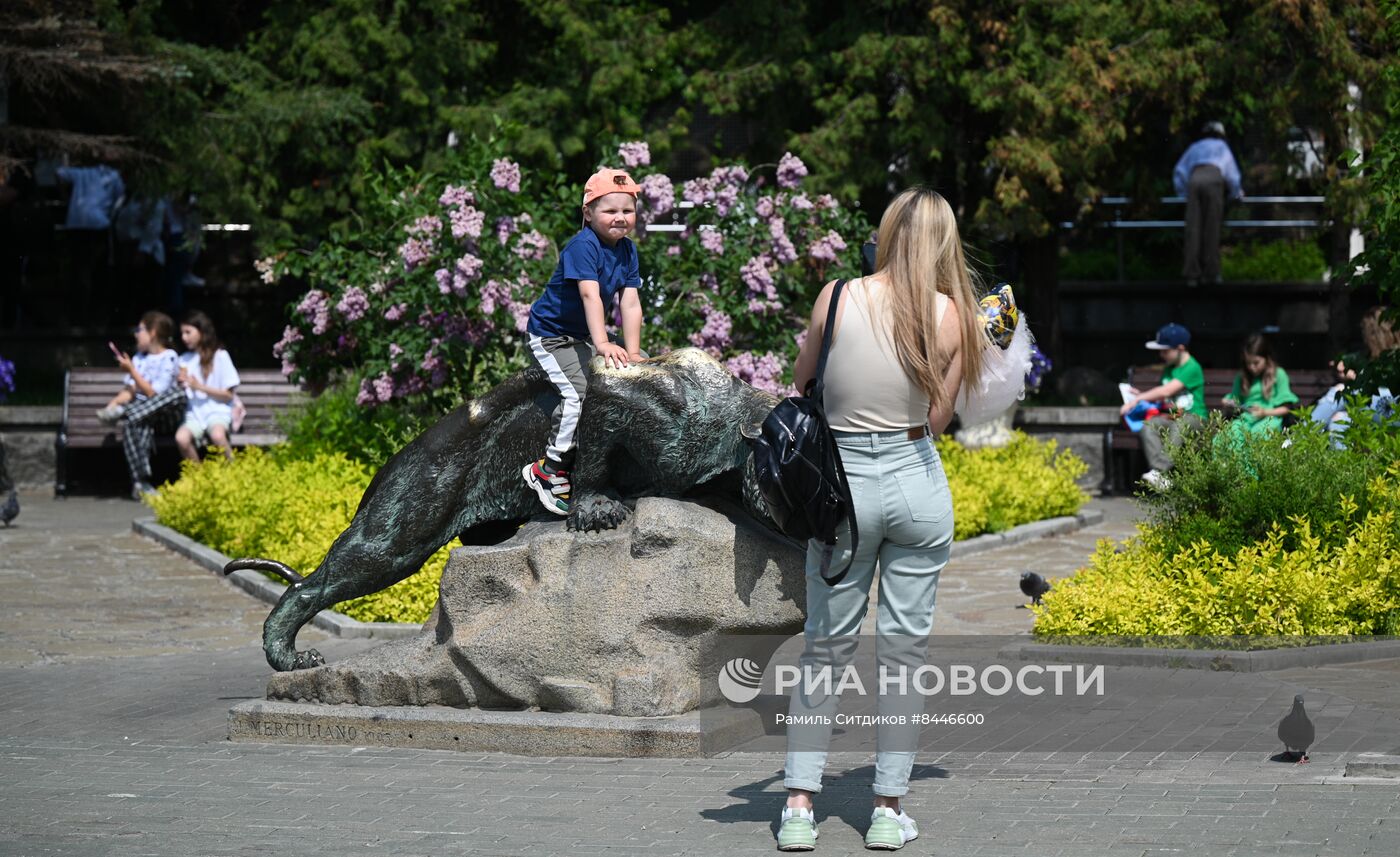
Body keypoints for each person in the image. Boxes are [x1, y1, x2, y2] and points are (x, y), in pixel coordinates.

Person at [777, 187, 985, 852]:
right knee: (903, 657)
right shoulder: (954, 315)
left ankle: (800, 807)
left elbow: (802, 381)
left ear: (887, 231)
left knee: (825, 652)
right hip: (916, 483)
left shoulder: (836, 297)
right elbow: (936, 420)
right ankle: (888, 811)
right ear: (945, 242)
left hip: (844, 494)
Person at [520, 168, 645, 516]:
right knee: (578, 393)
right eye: (610, 210)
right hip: (551, 337)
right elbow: (591, 296)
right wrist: (603, 343)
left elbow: (630, 303)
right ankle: (548, 469)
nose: (620, 218)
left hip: (582, 335)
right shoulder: (582, 246)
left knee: (637, 372)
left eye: (628, 210)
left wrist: (633, 352)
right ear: (588, 213)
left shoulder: (627, 250)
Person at [95, 310, 185, 499]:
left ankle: (126, 412)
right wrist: (111, 407)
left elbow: (155, 394)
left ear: (152, 332)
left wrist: (132, 371)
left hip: (165, 418)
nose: (136, 333)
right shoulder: (138, 359)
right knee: (133, 422)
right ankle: (141, 483)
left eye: (140, 329)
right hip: (143, 416)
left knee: (177, 395)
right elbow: (129, 391)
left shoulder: (169, 356)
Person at [1119, 323, 1207, 490]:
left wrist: (1137, 400)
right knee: (1149, 425)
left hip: (1195, 418)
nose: (1161, 354)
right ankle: (1161, 476)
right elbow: (1165, 397)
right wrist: (1140, 396)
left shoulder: (1192, 367)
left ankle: (1160, 471)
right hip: (1173, 417)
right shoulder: (1169, 369)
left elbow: (1167, 390)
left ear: (1180, 348)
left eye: (1165, 350)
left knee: (1181, 425)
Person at [1173, 121, 1244, 287]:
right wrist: (1236, 193)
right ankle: (1211, 273)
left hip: (1194, 179)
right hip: (1213, 179)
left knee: (1193, 228)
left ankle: (1191, 275)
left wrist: (1183, 193)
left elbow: (1179, 171)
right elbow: (1232, 174)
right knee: (1211, 227)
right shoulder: (1221, 147)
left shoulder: (1195, 146)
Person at [174, 310, 241, 463]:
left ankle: (235, 473)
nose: (184, 337)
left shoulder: (220, 356)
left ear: (202, 331)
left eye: (188, 332)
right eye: (182, 333)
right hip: (194, 414)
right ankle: (200, 479)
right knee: (181, 438)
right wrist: (180, 384)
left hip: (218, 411)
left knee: (217, 435)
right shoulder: (184, 359)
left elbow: (228, 395)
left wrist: (199, 387)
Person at [1221, 333, 1297, 440]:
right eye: (1248, 363)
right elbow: (1235, 399)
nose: (1252, 367)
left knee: (1259, 434)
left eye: (1256, 363)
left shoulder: (1278, 374)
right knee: (1230, 435)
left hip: (1271, 418)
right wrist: (1228, 403)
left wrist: (1265, 412)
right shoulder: (1242, 377)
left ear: (1266, 358)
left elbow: (1287, 408)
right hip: (1246, 419)